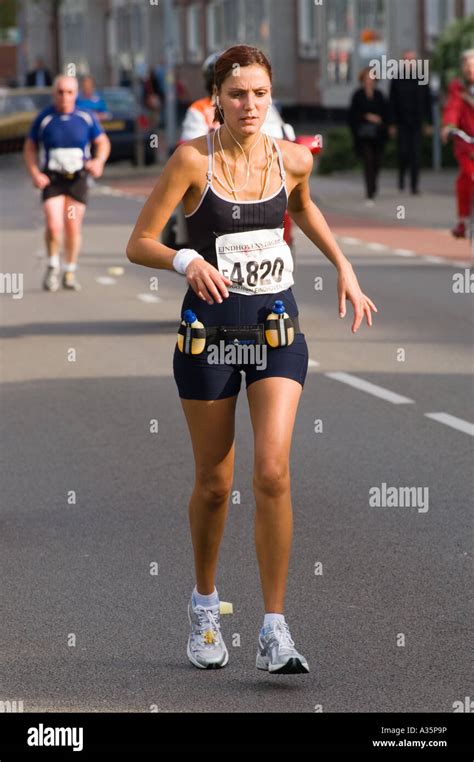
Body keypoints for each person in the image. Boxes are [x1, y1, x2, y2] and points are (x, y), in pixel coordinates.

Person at [126, 45, 377, 674]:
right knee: (215, 484)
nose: (250, 105)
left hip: (275, 327)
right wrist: (187, 260)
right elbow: (140, 242)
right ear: (217, 99)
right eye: (238, 94)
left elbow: (301, 206)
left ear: (272, 98)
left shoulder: (291, 158)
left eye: (261, 94)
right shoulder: (191, 160)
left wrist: (343, 266)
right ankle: (205, 605)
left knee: (272, 472)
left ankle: (273, 628)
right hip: (208, 333)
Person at [23, 75, 111, 291]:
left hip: (77, 179)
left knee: (72, 226)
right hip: (52, 179)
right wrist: (35, 173)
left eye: (70, 92)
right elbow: (30, 147)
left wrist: (98, 161)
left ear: (76, 94)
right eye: (60, 92)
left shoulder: (86, 117)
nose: (65, 97)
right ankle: (53, 266)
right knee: (54, 225)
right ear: (54, 94)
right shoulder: (44, 118)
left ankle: (69, 269)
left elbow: (102, 142)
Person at [388, 50, 433, 194]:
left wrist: (429, 122)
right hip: (401, 123)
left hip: (416, 122)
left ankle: (414, 186)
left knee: (416, 155)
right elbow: (392, 102)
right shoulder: (397, 79)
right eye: (407, 60)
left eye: (412, 61)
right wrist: (392, 123)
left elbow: (428, 101)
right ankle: (401, 178)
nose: (409, 63)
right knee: (403, 153)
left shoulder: (422, 78)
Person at [441, 49, 474, 239]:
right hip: (466, 144)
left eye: (473, 66)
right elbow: (453, 108)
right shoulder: (458, 88)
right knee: (468, 177)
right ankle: (463, 221)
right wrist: (450, 126)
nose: (470, 70)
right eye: (467, 66)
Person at [348, 67, 388, 205]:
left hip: (378, 136)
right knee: (368, 161)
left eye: (371, 78)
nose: (369, 81)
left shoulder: (379, 95)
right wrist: (366, 117)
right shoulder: (357, 95)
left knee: (377, 162)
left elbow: (386, 113)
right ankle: (369, 191)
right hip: (363, 136)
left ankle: (374, 185)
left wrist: (380, 120)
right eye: (366, 78)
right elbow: (352, 116)